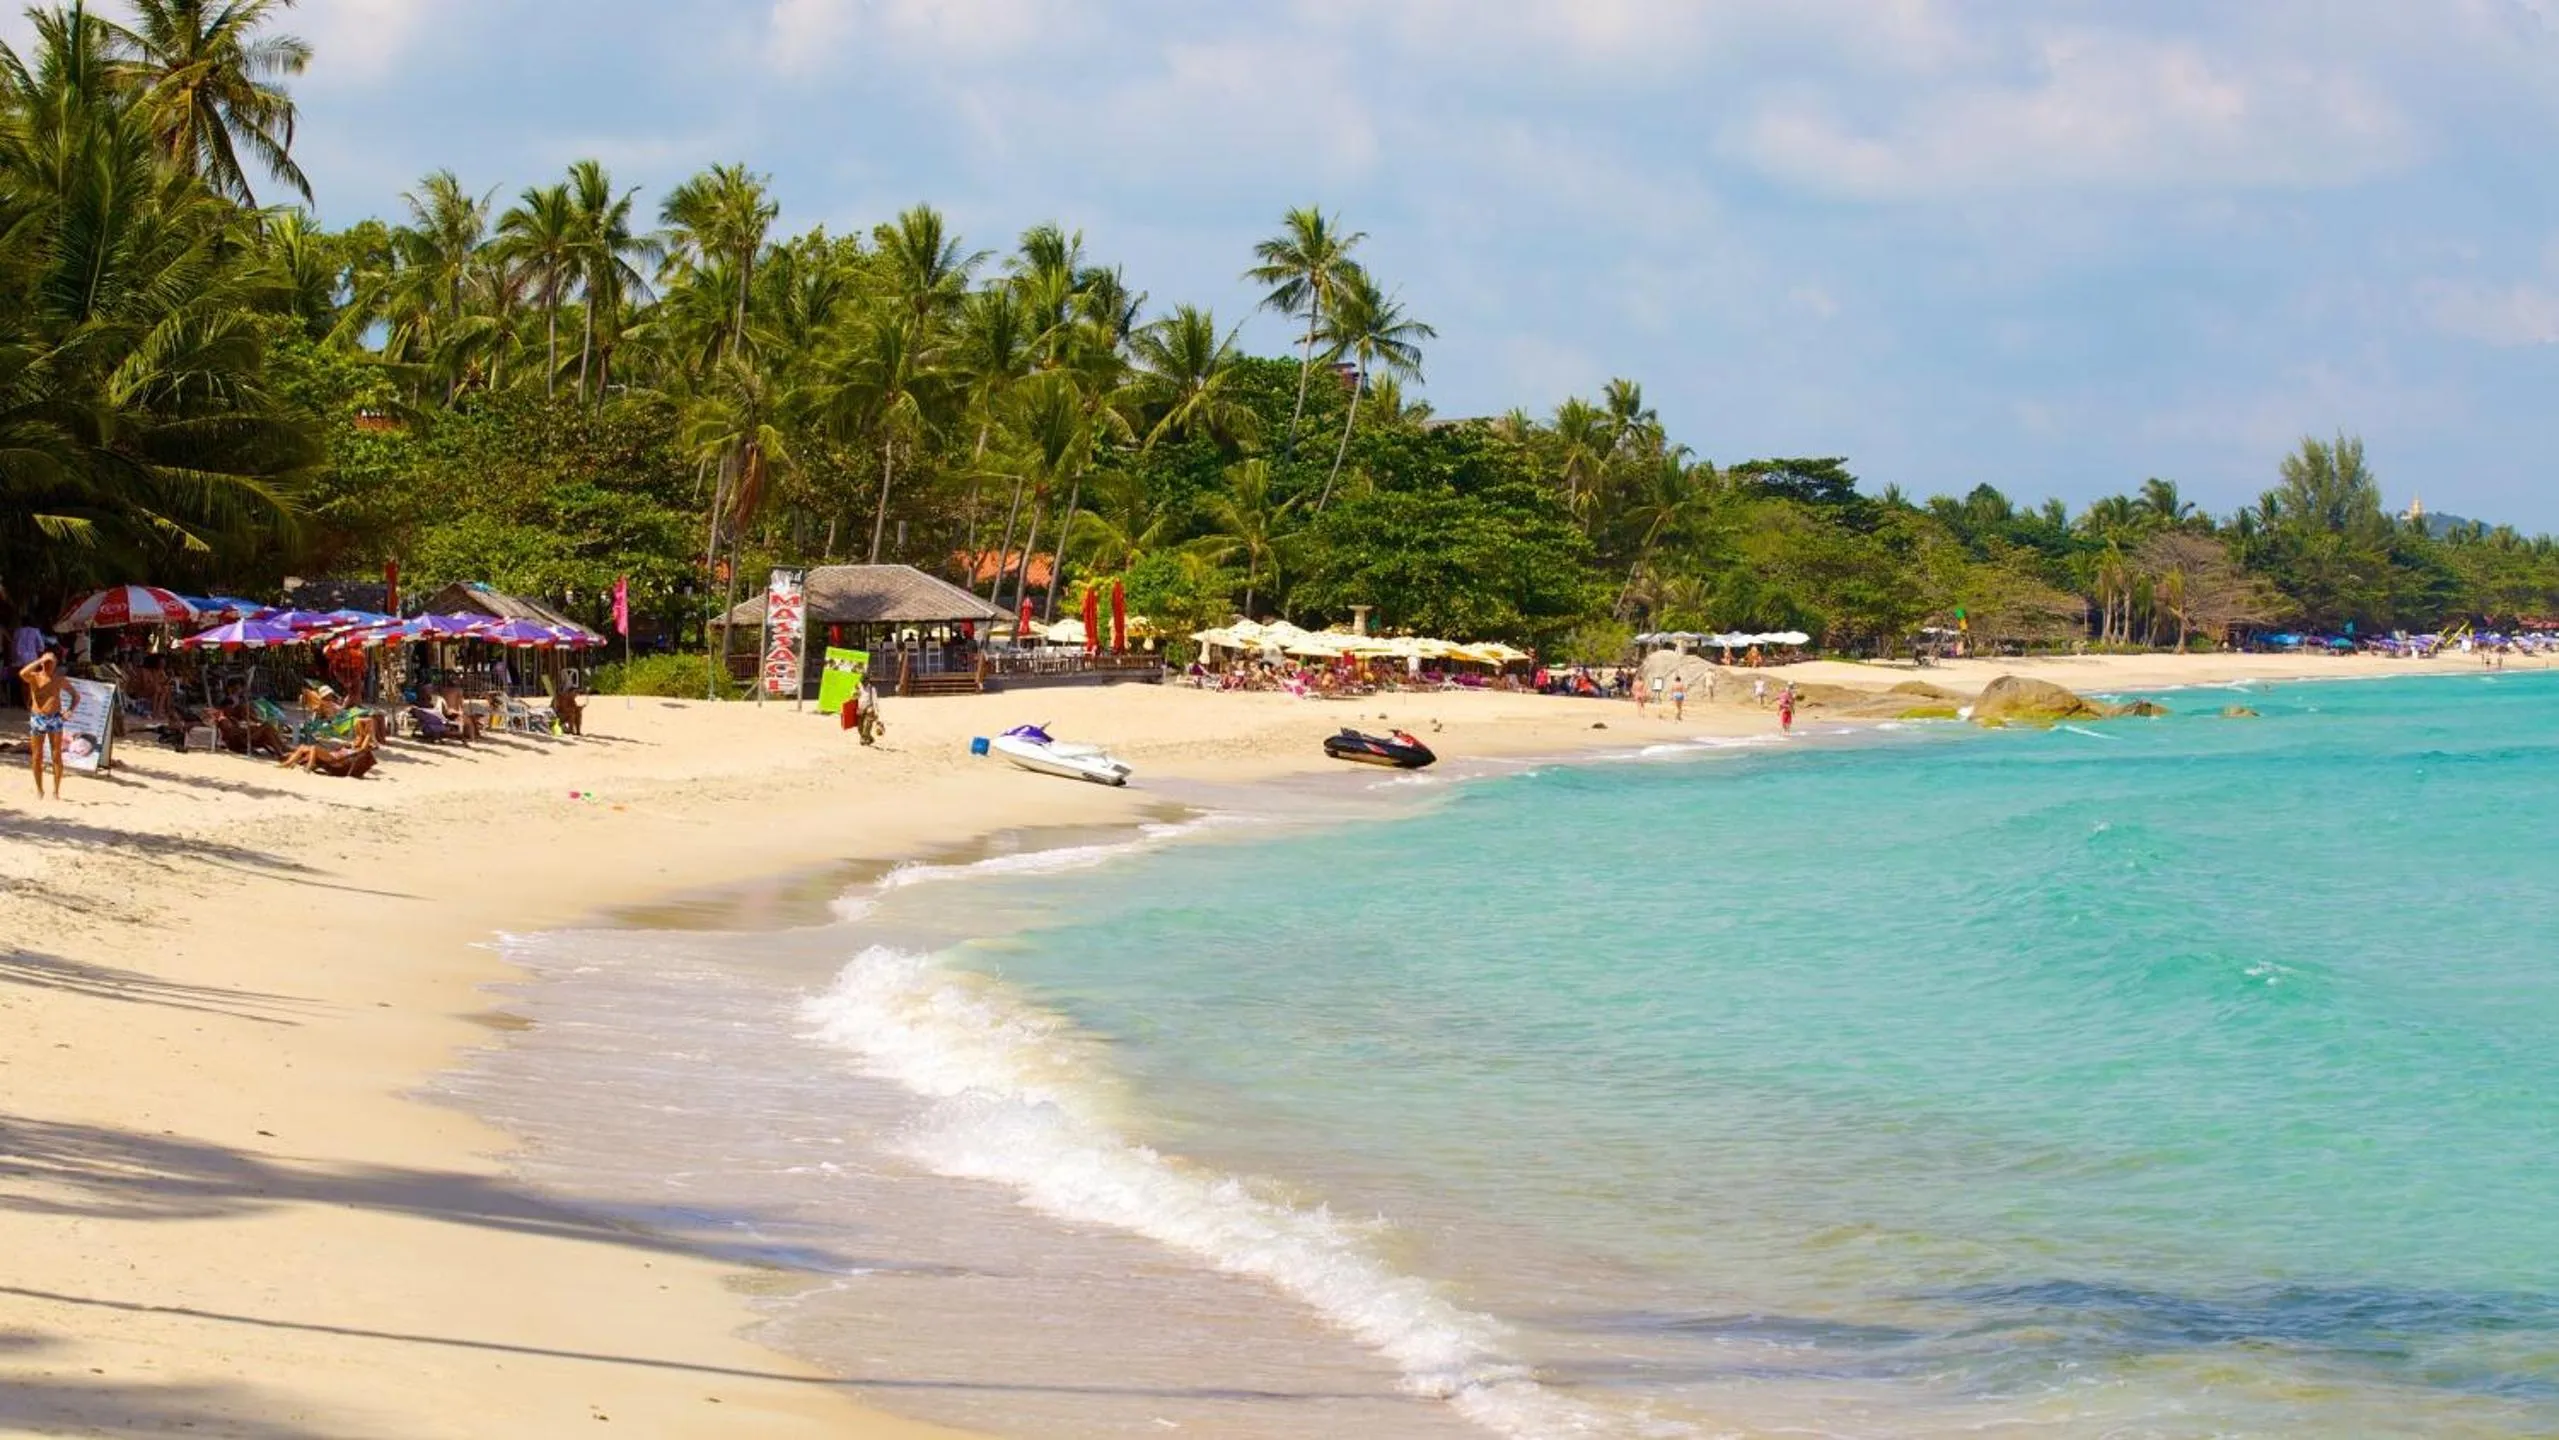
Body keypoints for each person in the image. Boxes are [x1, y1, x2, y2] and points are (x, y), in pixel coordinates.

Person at [20, 647, 75, 798]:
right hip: (38, 717)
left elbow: (75, 696)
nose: (48, 666)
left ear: (56, 664)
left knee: (56, 755)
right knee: (37, 755)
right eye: (46, 663)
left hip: (55, 718)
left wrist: (69, 710)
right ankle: (39, 789)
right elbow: (22, 673)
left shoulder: (59, 679)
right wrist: (39, 660)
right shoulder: (35, 677)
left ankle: (56, 791)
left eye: (51, 663)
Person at [855, 676, 883, 746]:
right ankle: (870, 738)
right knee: (860, 727)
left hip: (869, 708)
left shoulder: (872, 689)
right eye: (862, 682)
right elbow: (854, 697)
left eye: (864, 682)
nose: (863, 683)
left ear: (867, 681)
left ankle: (863, 739)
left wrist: (876, 712)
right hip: (860, 709)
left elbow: (875, 700)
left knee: (867, 726)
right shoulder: (858, 687)